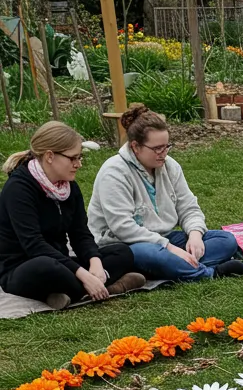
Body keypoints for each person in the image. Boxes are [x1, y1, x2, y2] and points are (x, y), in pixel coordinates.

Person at [88, 104, 243, 282]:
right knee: (150, 254)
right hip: (123, 245)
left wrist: (195, 234)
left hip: (164, 238)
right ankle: (208, 272)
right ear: (135, 147)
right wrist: (169, 248)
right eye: (157, 148)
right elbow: (122, 227)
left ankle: (171, 267)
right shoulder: (114, 172)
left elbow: (188, 206)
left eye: (166, 146)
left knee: (226, 240)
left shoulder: (170, 166)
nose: (163, 153)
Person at [0, 122, 143, 310]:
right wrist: (84, 274)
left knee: (122, 252)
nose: (78, 164)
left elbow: (80, 233)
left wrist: (95, 263)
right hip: (23, 267)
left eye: (80, 157)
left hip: (62, 262)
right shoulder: (18, 189)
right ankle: (108, 286)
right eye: (73, 158)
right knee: (47, 267)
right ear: (50, 156)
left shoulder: (69, 186)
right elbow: (34, 245)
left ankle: (74, 291)